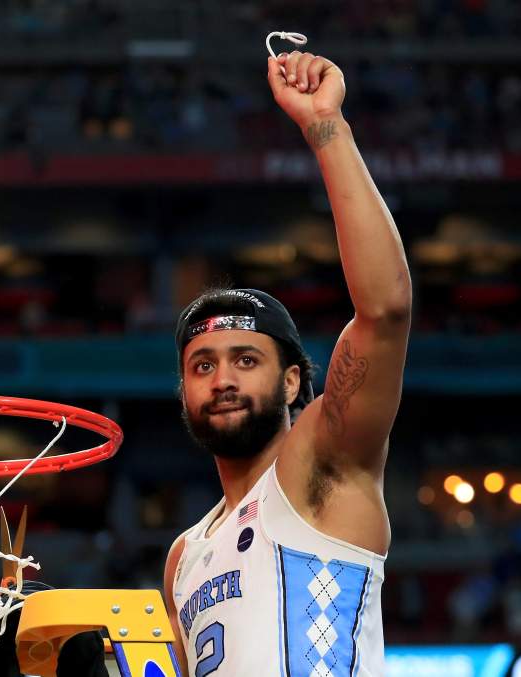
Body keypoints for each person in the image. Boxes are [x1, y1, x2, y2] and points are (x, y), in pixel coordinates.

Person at [164, 49, 412, 676]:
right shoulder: (183, 557)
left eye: (245, 359)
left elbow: (385, 310)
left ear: (293, 379)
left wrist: (325, 125)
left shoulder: (320, 461)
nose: (222, 380)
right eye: (202, 366)